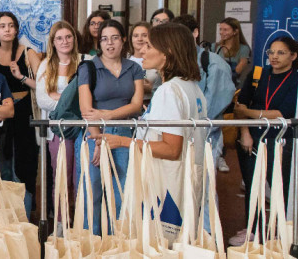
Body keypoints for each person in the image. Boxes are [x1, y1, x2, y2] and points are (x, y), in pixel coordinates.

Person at [98, 22, 208, 243]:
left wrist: (121, 141)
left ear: (167, 52)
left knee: (159, 244)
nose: (142, 51)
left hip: (166, 184)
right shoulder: (192, 87)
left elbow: (172, 148)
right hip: (187, 179)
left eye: (148, 45)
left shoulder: (169, 91)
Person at [229, 36, 298, 246]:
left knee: (280, 187)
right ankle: (253, 229)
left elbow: (282, 113)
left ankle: (278, 232)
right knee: (253, 186)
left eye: (281, 53)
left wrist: (250, 113)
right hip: (251, 138)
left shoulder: (296, 80)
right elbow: (239, 105)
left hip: (279, 142)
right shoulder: (259, 73)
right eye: (271, 52)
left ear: (293, 56)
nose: (274, 57)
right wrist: (245, 132)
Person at [75, 19, 144, 235]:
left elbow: (136, 105)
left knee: (122, 193)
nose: (110, 44)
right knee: (92, 193)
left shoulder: (134, 68)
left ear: (124, 40)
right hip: (94, 133)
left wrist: (109, 114)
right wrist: (97, 140)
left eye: (115, 38)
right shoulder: (88, 67)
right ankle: (91, 243)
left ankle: (119, 244)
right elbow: (87, 110)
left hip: (124, 135)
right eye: (104, 39)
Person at [0, 11, 42, 217]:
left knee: (25, 165)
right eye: (2, 26)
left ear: (17, 29)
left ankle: (25, 217)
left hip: (24, 111)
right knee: (1, 166)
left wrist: (20, 77)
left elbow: (43, 85)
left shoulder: (28, 53)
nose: (7, 29)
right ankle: (4, 218)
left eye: (11, 25)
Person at [172, 14, 235, 174]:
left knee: (202, 189)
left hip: (205, 136)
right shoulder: (173, 63)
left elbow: (213, 105)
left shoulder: (213, 63)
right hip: (177, 137)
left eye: (184, 35)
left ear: (195, 33)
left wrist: (190, 126)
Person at [35, 21, 80, 218]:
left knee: (81, 178)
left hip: (83, 129)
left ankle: (81, 223)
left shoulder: (84, 61)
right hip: (57, 131)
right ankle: (61, 222)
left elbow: (89, 98)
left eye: (68, 37)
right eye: (59, 38)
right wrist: (71, 101)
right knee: (61, 177)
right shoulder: (46, 65)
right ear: (53, 42)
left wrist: (58, 96)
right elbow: (42, 100)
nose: (65, 41)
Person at [213, 17, 251, 88]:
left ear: (235, 31)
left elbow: (237, 71)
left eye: (225, 30)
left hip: (231, 87)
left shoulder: (244, 49)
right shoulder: (215, 47)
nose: (221, 32)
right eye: (220, 29)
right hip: (215, 85)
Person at [128, 21, 159, 100]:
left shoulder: (157, 61)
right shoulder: (123, 61)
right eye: (135, 36)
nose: (140, 39)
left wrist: (151, 88)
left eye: (144, 35)